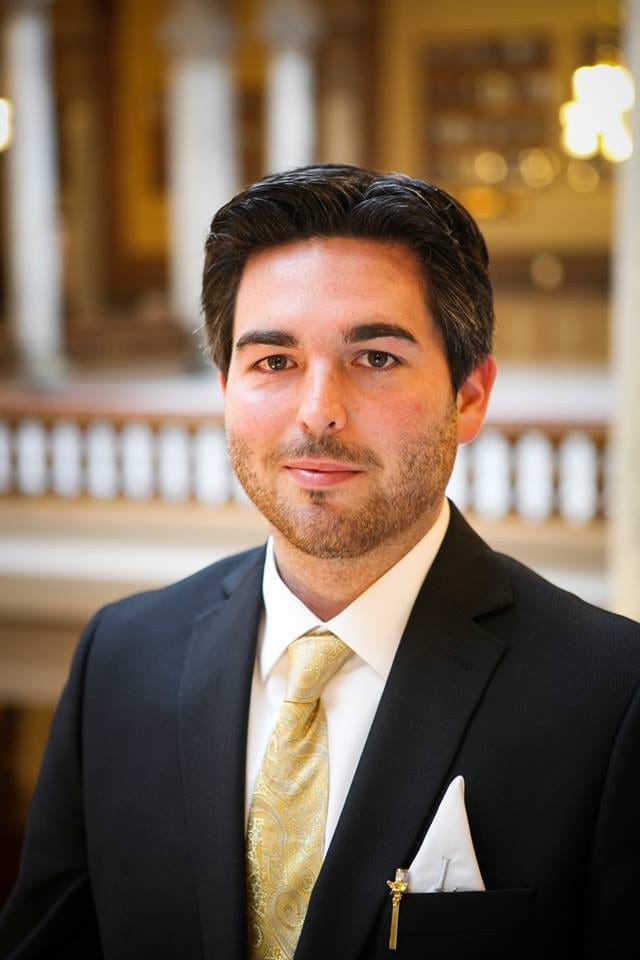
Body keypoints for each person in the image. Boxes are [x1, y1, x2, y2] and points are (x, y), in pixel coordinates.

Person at [1, 164, 639, 960]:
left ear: (470, 395)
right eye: (273, 360)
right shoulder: (119, 659)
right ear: (226, 385)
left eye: (374, 356)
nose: (317, 412)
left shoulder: (615, 699)